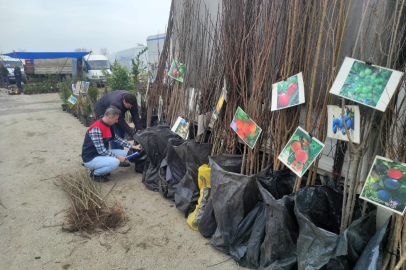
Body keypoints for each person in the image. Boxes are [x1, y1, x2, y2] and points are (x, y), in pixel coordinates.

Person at [82, 106, 142, 182]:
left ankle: (102, 169)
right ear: (110, 117)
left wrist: (133, 146)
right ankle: (95, 173)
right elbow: (101, 151)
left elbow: (117, 139)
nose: (117, 121)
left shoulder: (108, 125)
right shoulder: (96, 129)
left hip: (100, 155)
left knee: (125, 153)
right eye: (116, 119)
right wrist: (117, 157)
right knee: (115, 162)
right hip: (91, 158)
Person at [94, 90, 143, 167]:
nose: (130, 108)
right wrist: (134, 136)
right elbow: (122, 123)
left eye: (131, 106)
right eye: (129, 106)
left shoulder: (132, 101)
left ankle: (120, 155)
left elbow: (135, 116)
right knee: (113, 132)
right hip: (102, 108)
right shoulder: (116, 104)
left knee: (121, 132)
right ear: (124, 101)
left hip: (114, 109)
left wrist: (139, 130)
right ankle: (116, 159)